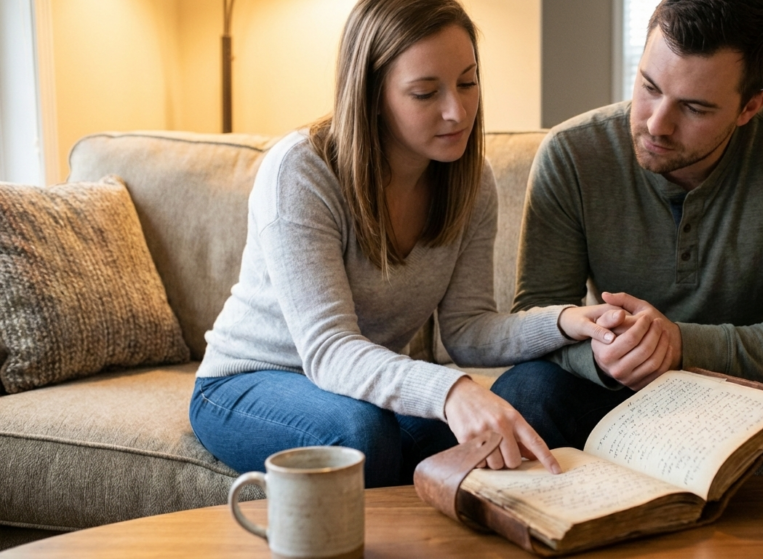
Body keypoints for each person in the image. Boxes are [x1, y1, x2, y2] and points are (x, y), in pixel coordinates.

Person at [188, 0, 621, 488]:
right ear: (372, 95)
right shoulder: (302, 171)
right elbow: (329, 349)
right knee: (361, 435)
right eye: (425, 93)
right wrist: (452, 391)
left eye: (467, 82)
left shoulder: (470, 181)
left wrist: (567, 321)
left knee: (501, 424)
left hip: (356, 389)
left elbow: (467, 329)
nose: (457, 111)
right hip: (245, 382)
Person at [491, 0, 763, 477]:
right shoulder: (572, 153)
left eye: (694, 108)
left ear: (750, 107)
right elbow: (537, 315)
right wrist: (604, 354)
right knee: (523, 392)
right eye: (649, 87)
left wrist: (680, 345)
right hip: (615, 394)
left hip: (756, 391)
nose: (656, 124)